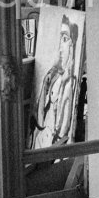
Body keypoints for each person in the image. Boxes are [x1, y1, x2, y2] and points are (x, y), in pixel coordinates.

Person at [29, 14, 79, 148]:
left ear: (72, 44)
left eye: (65, 39)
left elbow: (63, 131)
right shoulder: (52, 75)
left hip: (54, 145)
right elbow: (39, 113)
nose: (60, 48)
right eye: (59, 40)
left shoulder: (70, 83)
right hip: (41, 138)